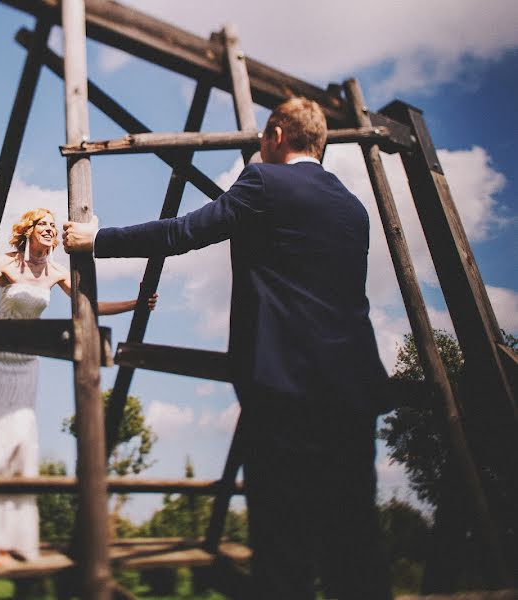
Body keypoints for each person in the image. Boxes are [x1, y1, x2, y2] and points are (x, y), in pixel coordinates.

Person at [63, 98, 392, 599]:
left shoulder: (264, 181)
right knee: (355, 550)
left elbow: (183, 232)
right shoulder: (354, 207)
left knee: (285, 555)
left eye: (263, 135)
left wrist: (97, 238)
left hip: (286, 391)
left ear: (277, 135)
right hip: (355, 390)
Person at [0, 207, 156, 573]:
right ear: (27, 230)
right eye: (43, 225)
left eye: (53, 228)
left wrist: (135, 304)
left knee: (20, 443)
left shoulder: (58, 272)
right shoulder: (6, 261)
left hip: (28, 366)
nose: (50, 231)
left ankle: (8, 540)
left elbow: (91, 307)